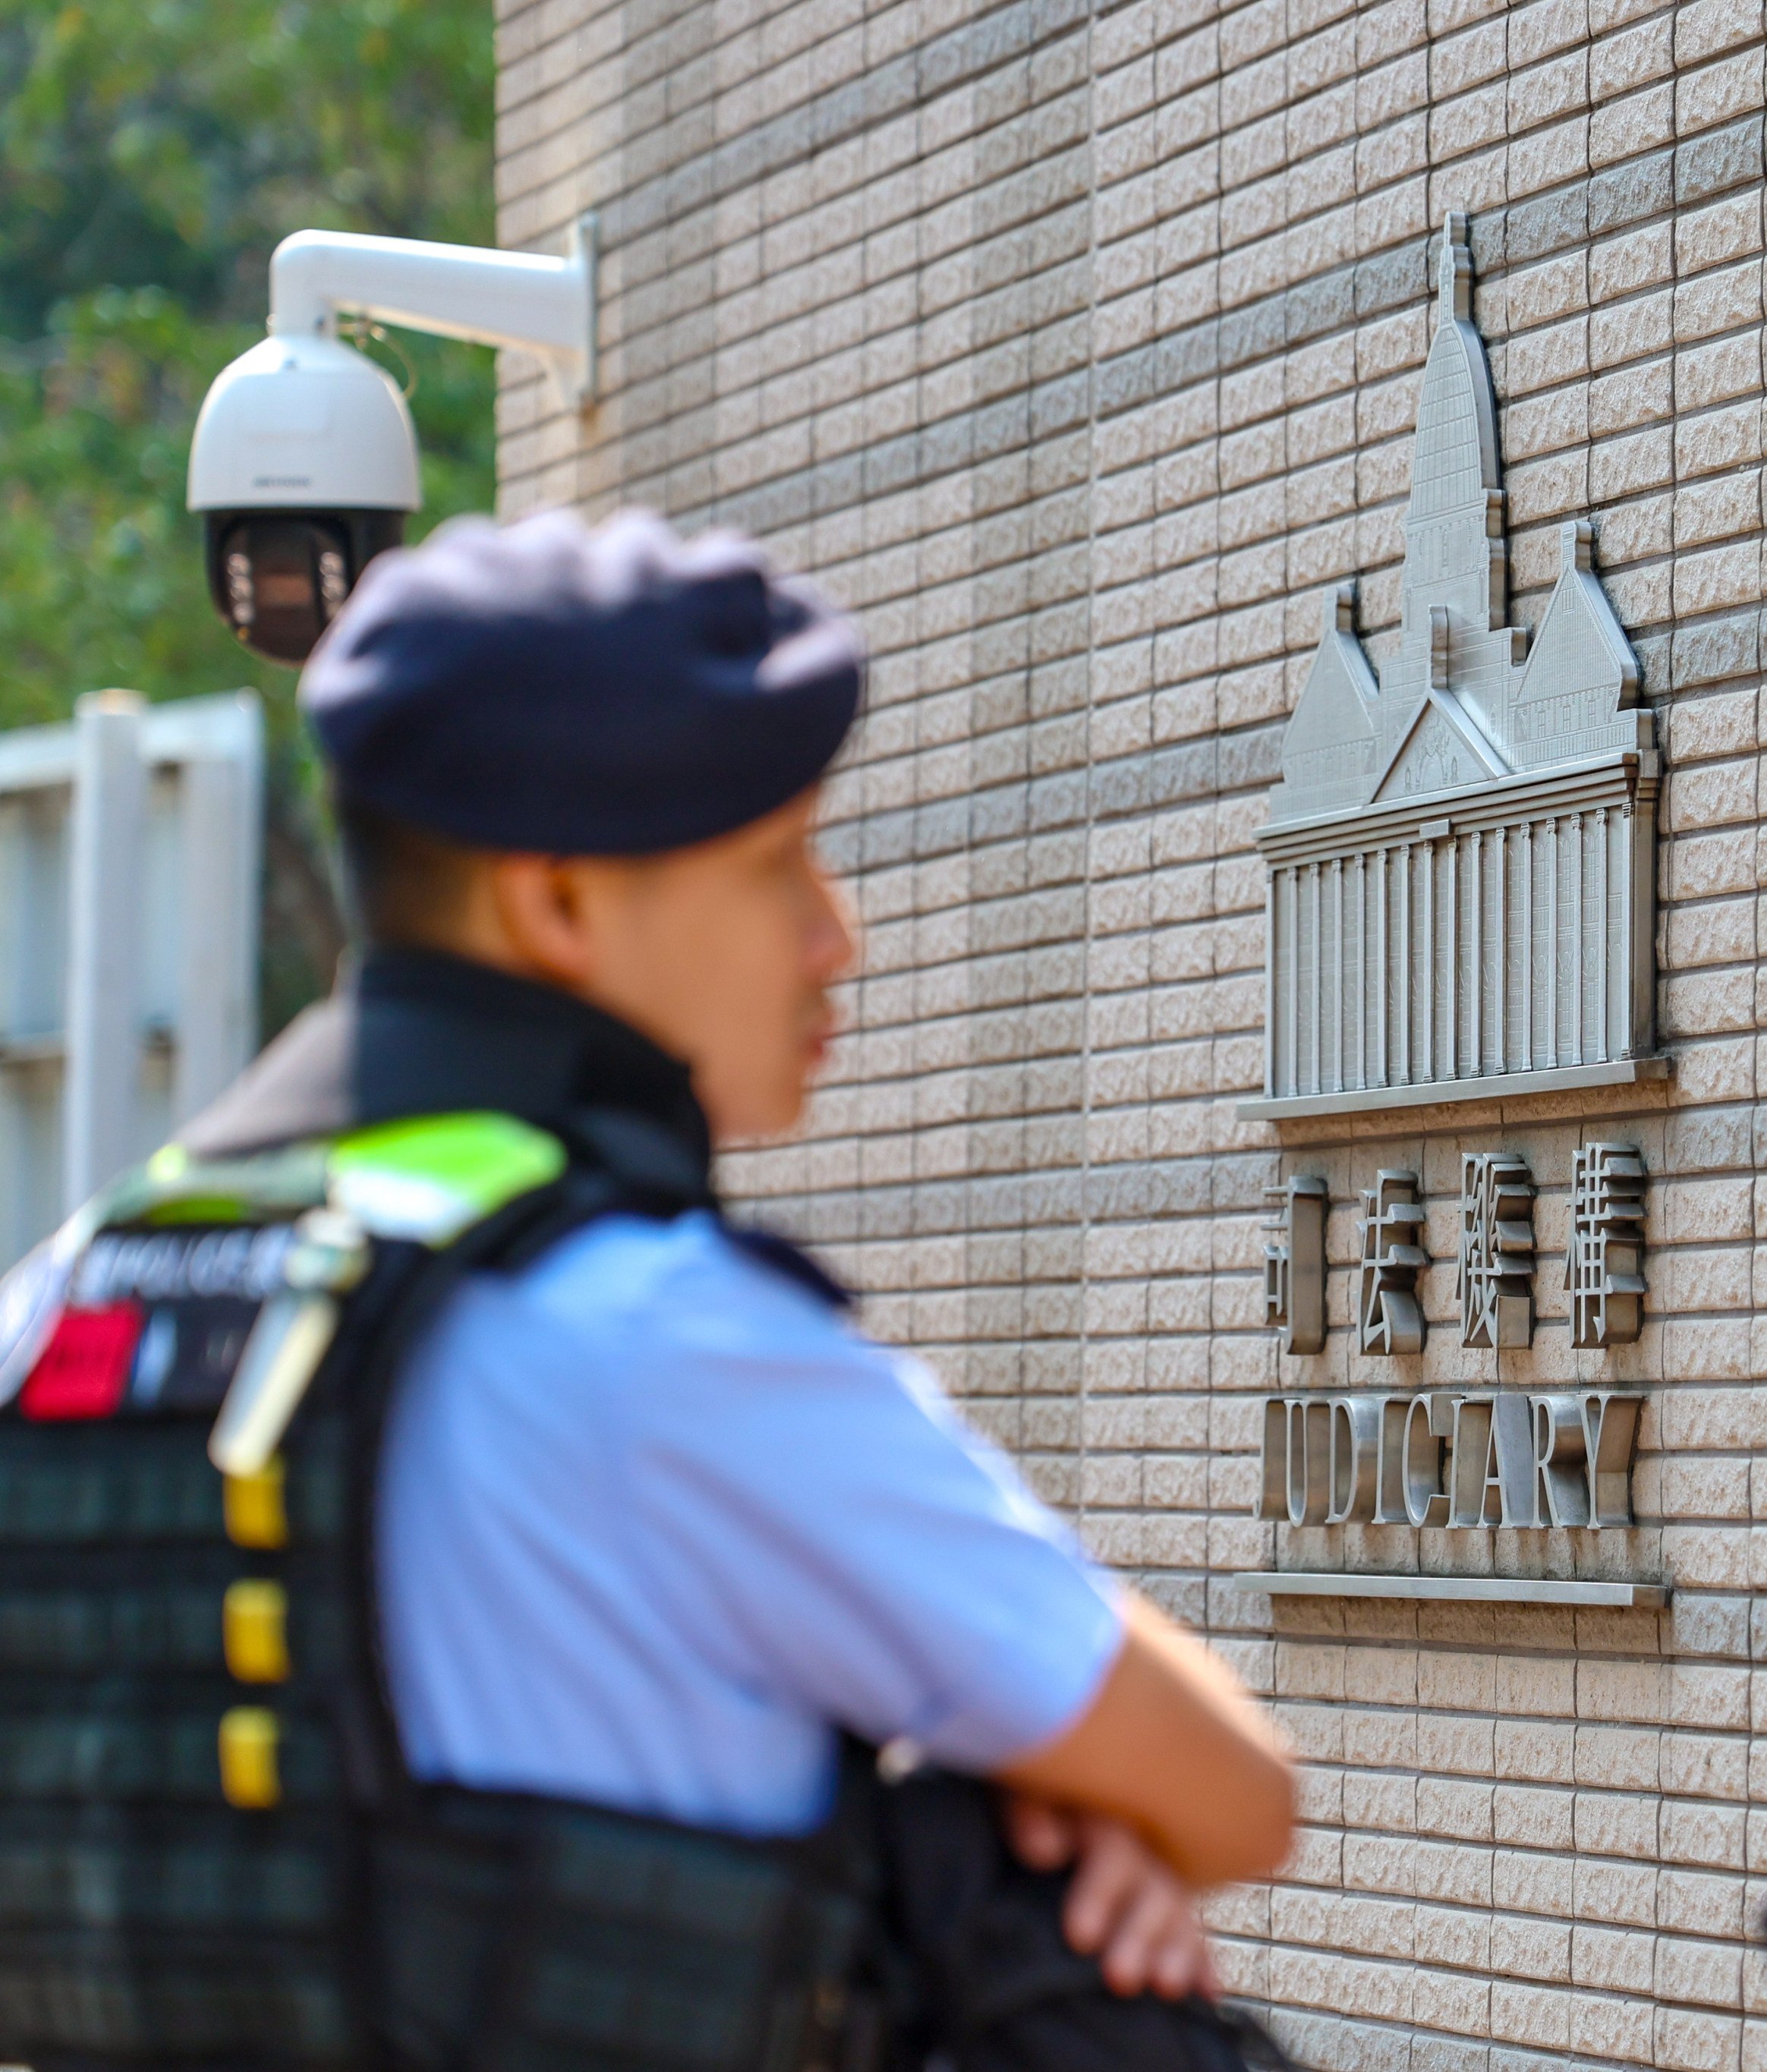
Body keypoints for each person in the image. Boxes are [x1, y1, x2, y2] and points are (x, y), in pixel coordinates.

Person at [0, 511, 1295, 2068]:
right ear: (556, 902)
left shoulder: (74, 1303)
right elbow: (1228, 1788)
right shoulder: (661, 1342)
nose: (837, 935)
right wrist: (1005, 1837)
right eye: (775, 862)